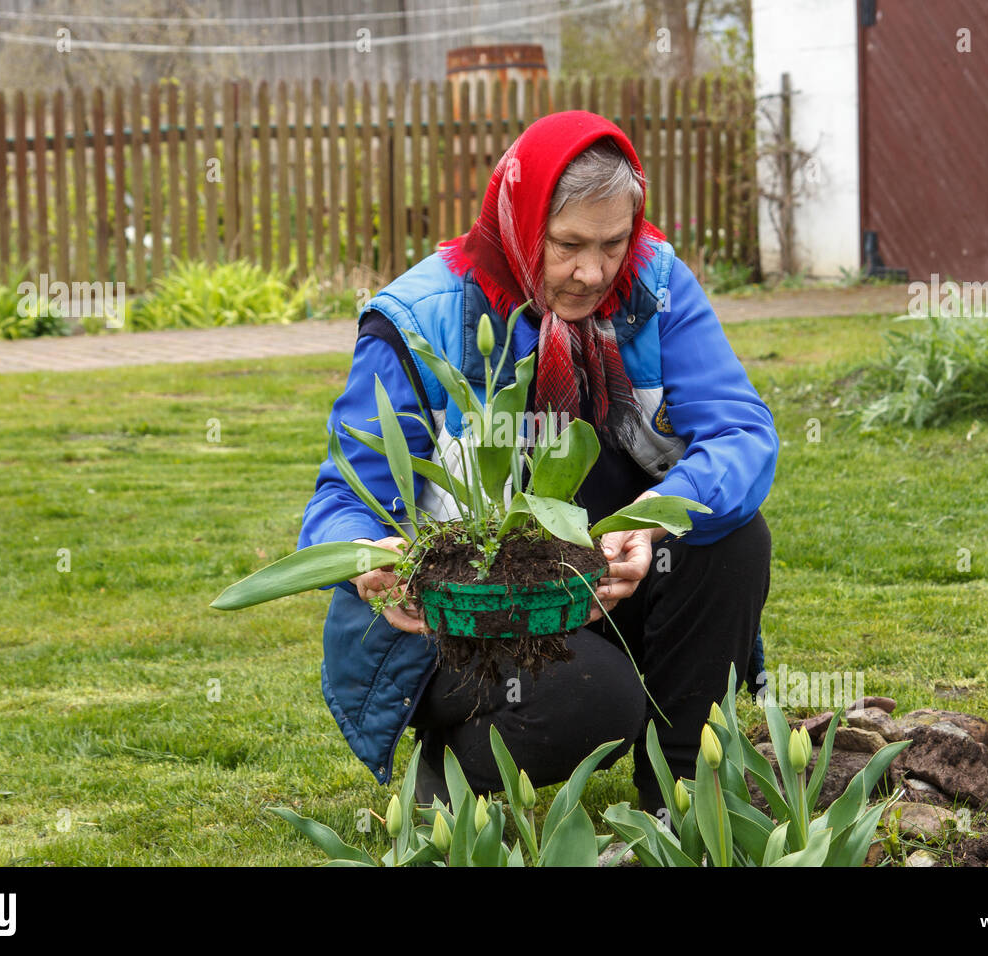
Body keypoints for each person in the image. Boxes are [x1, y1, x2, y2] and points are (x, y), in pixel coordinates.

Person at [297, 110, 777, 812]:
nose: (593, 272)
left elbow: (741, 434)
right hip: (462, 613)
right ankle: (453, 772)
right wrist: (371, 554)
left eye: (614, 242)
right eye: (568, 245)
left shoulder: (655, 287)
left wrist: (648, 521)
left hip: (600, 580)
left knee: (732, 536)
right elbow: (337, 503)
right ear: (520, 222)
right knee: (596, 700)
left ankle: (677, 804)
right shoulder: (415, 319)